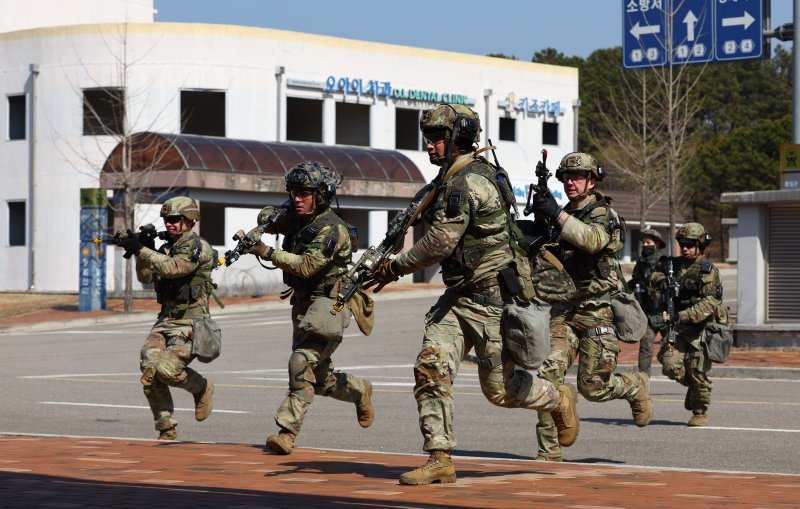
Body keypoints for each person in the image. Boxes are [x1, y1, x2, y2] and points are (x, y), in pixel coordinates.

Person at [368, 103, 579, 485]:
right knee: (430, 367)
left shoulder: (468, 183)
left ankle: (558, 398)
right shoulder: (446, 180)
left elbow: (438, 244)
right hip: (458, 299)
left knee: (501, 392)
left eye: (437, 139)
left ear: (458, 139)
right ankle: (440, 458)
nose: (429, 146)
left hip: (494, 301)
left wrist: (394, 267)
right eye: (427, 138)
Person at [529, 152, 654, 462]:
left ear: (591, 181)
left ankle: (635, 386)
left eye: (578, 177)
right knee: (547, 376)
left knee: (593, 387)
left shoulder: (603, 213)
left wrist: (556, 214)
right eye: (566, 178)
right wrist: (540, 218)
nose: (571, 182)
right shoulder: (559, 214)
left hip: (598, 308)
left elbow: (593, 241)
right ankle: (549, 449)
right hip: (563, 308)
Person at [245, 161, 374, 455]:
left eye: (304, 193)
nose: (297, 199)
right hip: (303, 303)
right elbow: (269, 217)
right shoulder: (296, 217)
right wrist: (269, 219)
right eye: (293, 192)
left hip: (329, 304)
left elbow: (306, 266)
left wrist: (265, 250)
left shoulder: (332, 229)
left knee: (300, 363)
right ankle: (358, 390)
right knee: (319, 379)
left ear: (321, 195)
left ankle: (286, 432)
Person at [116, 196, 217, 441]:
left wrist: (142, 249)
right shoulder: (165, 248)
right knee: (149, 368)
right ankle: (166, 427)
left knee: (167, 370)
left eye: (174, 220)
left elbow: (175, 268)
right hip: (165, 319)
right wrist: (142, 250)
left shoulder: (196, 246)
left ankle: (201, 387)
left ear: (189, 220)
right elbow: (146, 278)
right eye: (167, 220)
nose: (169, 224)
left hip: (192, 322)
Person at [652, 222, 727, 427]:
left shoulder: (707, 271)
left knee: (696, 370)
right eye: (682, 243)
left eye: (690, 244)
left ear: (700, 245)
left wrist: (683, 315)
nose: (685, 248)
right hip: (677, 328)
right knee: (669, 365)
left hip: (700, 329)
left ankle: (699, 411)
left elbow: (710, 302)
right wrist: (661, 281)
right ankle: (694, 387)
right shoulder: (672, 265)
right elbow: (654, 273)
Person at [628, 229, 667, 374]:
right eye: (643, 242)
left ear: (657, 243)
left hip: (663, 314)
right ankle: (643, 381)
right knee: (645, 348)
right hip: (647, 313)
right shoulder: (641, 262)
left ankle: (669, 361)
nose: (645, 245)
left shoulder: (664, 262)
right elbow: (635, 281)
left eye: (648, 242)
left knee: (671, 347)